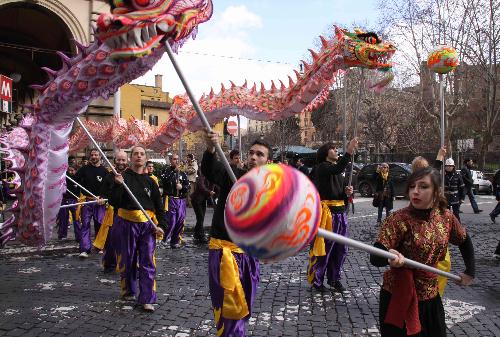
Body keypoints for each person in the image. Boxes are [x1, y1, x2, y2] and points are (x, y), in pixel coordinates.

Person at [370, 167, 475, 337]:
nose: (415, 192)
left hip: (431, 296)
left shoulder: (446, 217)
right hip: (399, 295)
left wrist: (470, 271)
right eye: (412, 187)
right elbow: (375, 256)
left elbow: (464, 239)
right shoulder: (398, 219)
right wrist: (389, 256)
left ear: (436, 191)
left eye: (423, 186)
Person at [202, 130, 272, 337]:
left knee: (244, 305)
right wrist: (211, 148)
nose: (253, 157)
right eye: (251, 153)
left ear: (268, 161)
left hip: (250, 255)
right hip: (225, 252)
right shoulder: (231, 174)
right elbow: (209, 169)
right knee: (230, 307)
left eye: (260, 154)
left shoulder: (270, 189)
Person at [109, 146, 165, 312]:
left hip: (147, 226)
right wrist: (118, 185)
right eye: (135, 154)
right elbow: (114, 202)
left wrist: (161, 225)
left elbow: (159, 207)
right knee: (128, 260)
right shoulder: (122, 177)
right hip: (126, 223)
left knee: (148, 261)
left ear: (146, 158)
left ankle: (147, 298)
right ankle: (129, 289)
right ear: (130, 158)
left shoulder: (151, 182)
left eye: (142, 154)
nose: (139, 157)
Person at [307, 138, 358, 293]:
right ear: (325, 152)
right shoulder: (321, 168)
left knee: (340, 249)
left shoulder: (338, 171)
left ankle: (334, 278)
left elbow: (340, 194)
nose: (336, 150)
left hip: (340, 214)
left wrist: (346, 193)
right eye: (333, 148)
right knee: (325, 248)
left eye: (337, 149)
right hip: (327, 215)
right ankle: (317, 279)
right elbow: (337, 169)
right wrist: (349, 151)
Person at [94, 150, 129, 272]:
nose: (121, 162)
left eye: (123, 160)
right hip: (113, 213)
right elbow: (103, 193)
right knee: (111, 239)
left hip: (129, 213)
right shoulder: (109, 176)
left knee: (128, 240)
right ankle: (110, 264)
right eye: (118, 159)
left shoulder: (130, 175)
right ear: (114, 161)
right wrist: (101, 199)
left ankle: (128, 264)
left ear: (127, 161)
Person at [74, 149, 108, 258]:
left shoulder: (105, 171)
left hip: (100, 202)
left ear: (100, 157)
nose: (94, 157)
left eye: (96, 155)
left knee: (100, 224)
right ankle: (85, 249)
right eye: (92, 155)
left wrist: (102, 197)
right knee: (85, 225)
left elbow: (108, 187)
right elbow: (75, 181)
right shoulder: (84, 169)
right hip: (87, 202)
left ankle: (100, 246)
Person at [160, 153, 190, 248]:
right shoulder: (166, 171)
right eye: (174, 159)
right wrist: (173, 173)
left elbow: (187, 186)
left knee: (180, 221)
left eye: (177, 159)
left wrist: (182, 187)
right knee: (171, 221)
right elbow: (165, 181)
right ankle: (164, 239)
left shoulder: (182, 173)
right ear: (170, 160)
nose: (176, 161)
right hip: (170, 199)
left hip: (181, 200)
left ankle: (175, 241)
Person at [56, 166, 81, 240]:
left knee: (76, 218)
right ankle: (62, 234)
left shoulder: (77, 178)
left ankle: (78, 235)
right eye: (69, 170)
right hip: (64, 199)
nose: (71, 172)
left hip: (74, 200)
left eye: (73, 170)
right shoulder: (65, 177)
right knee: (63, 218)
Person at [190, 168, 214, 245]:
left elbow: (215, 187)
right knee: (200, 217)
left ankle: (197, 234)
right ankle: (201, 235)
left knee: (201, 217)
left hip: (203, 200)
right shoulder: (202, 176)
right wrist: (209, 192)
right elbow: (201, 186)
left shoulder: (212, 178)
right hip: (196, 200)